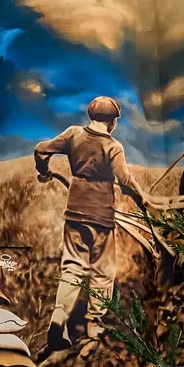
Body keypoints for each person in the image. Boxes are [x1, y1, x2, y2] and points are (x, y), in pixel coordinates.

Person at [34, 96, 146, 351]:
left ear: (91, 116)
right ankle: (94, 326)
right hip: (101, 217)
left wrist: (44, 170)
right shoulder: (113, 146)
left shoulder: (73, 134)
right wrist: (142, 199)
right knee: (103, 272)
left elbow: (41, 149)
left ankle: (58, 320)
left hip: (75, 213)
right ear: (113, 122)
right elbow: (124, 179)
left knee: (73, 268)